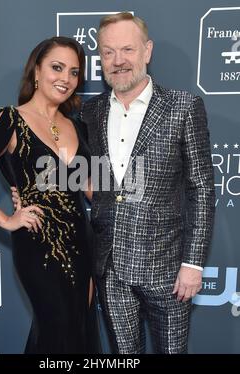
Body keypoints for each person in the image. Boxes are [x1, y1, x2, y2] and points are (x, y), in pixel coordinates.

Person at [78, 12, 215, 354]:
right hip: (110, 268)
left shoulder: (183, 106)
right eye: (108, 52)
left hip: (167, 270)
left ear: (147, 51)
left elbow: (201, 188)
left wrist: (193, 264)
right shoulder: (90, 113)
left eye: (127, 49)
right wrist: (29, 188)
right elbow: (76, 170)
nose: (118, 60)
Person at [0, 36, 96, 354]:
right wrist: (7, 218)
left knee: (77, 329)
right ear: (36, 70)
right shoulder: (10, 120)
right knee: (56, 327)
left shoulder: (74, 126)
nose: (66, 79)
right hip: (39, 246)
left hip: (82, 242)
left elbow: (89, 187)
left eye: (74, 72)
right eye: (57, 68)